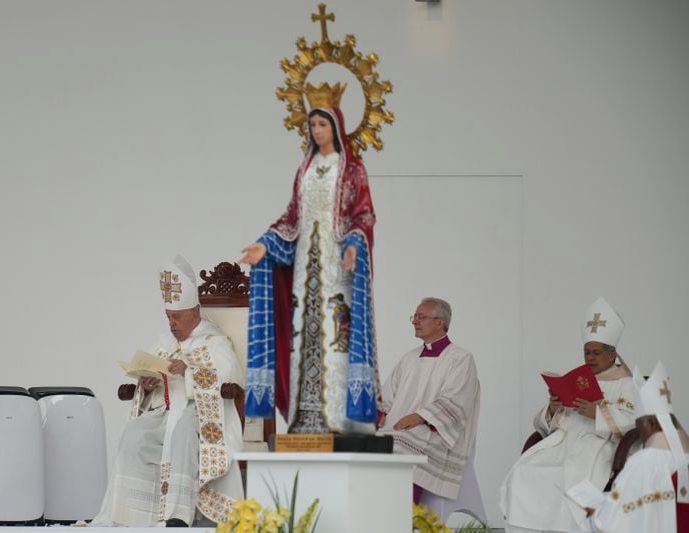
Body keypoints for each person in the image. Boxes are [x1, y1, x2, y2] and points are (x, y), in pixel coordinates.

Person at [239, 82, 379, 433]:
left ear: (336, 127)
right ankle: (305, 415)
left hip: (336, 263)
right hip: (305, 263)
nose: (317, 131)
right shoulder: (304, 169)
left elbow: (364, 215)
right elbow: (291, 217)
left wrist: (353, 244)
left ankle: (339, 416)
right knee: (304, 334)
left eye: (323, 124)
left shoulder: (351, 170)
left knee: (337, 332)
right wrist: (266, 244)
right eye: (313, 125)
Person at [91, 255, 244, 527]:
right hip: (165, 412)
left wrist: (188, 370)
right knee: (135, 434)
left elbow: (230, 377)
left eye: (177, 317)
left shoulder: (215, 341)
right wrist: (147, 384)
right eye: (168, 317)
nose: (171, 324)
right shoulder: (163, 342)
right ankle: (133, 516)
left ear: (194, 314)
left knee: (183, 431)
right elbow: (150, 370)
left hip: (200, 413)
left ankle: (178, 517)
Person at [500, 297, 636, 532]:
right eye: (586, 352)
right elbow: (545, 426)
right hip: (563, 442)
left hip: (598, 445)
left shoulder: (626, 384)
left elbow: (635, 422)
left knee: (571, 478)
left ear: (612, 355)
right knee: (524, 472)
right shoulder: (580, 378)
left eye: (596, 353)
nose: (590, 358)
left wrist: (598, 413)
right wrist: (554, 408)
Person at [377, 297, 480, 501]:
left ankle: (402, 514)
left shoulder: (460, 358)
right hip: (399, 428)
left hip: (435, 432)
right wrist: (376, 418)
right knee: (373, 444)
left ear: (440, 322)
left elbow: (455, 401)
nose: (415, 321)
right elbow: (386, 396)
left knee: (400, 447)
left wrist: (418, 417)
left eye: (421, 317)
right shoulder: (409, 358)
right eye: (414, 317)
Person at [572, 361, 689, 533]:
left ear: (650, 423)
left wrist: (595, 513)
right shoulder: (684, 456)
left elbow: (611, 522)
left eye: (638, 423)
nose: (638, 429)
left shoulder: (644, 462)